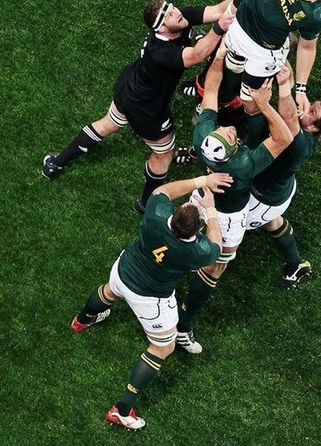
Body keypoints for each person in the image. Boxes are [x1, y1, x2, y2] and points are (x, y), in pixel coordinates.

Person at [71, 172, 232, 430]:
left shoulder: (156, 214)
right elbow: (217, 246)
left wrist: (200, 182)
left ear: (176, 213)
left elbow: (164, 190)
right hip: (151, 300)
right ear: (196, 231)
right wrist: (211, 210)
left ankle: (82, 320)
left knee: (109, 292)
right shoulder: (196, 251)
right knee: (163, 348)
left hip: (124, 269)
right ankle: (122, 409)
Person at [42, 0, 234, 209]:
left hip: (129, 88)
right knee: (164, 155)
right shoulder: (159, 50)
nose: (176, 12)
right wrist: (218, 28)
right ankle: (145, 204)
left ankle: (56, 162)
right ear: (161, 27)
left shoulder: (178, 19)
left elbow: (218, 10)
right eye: (169, 14)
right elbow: (196, 55)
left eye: (172, 8)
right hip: (147, 109)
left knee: (109, 123)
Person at [175, 42, 293, 346]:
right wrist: (265, 105)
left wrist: (219, 57)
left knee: (178, 239)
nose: (229, 128)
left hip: (200, 195)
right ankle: (183, 323)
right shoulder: (242, 164)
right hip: (227, 218)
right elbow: (284, 137)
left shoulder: (203, 135)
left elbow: (211, 90)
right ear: (231, 152)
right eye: (229, 135)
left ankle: (166, 272)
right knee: (215, 270)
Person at [246, 66, 321, 287]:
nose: (306, 109)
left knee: (223, 222)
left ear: (314, 128)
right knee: (272, 222)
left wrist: (275, 94)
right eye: (312, 105)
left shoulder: (301, 143)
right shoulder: (302, 125)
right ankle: (297, 263)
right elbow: (290, 103)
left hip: (261, 198)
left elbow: (287, 119)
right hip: (280, 190)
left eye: (312, 112)